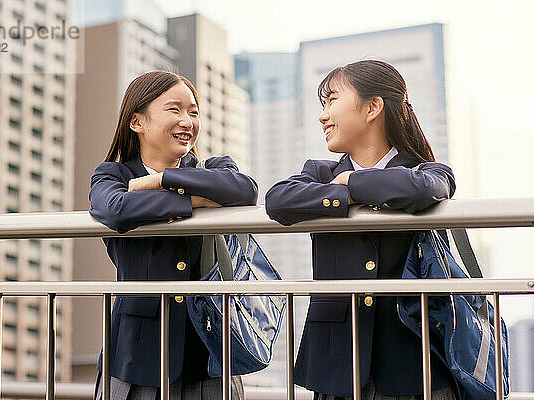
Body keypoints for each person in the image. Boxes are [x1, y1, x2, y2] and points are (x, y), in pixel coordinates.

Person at [264, 60, 457, 400]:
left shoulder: (424, 170)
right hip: (338, 361)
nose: (322, 115)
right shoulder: (319, 172)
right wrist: (343, 193)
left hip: (411, 361)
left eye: (332, 100)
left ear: (372, 107)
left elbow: (427, 189)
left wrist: (353, 182)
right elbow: (278, 201)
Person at [88, 70, 256, 400]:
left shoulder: (214, 167)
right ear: (137, 121)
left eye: (193, 112)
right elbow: (115, 210)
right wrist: (195, 201)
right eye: (174, 109)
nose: (187, 121)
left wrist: (160, 181)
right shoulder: (114, 174)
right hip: (136, 356)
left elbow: (246, 191)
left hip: (208, 352)